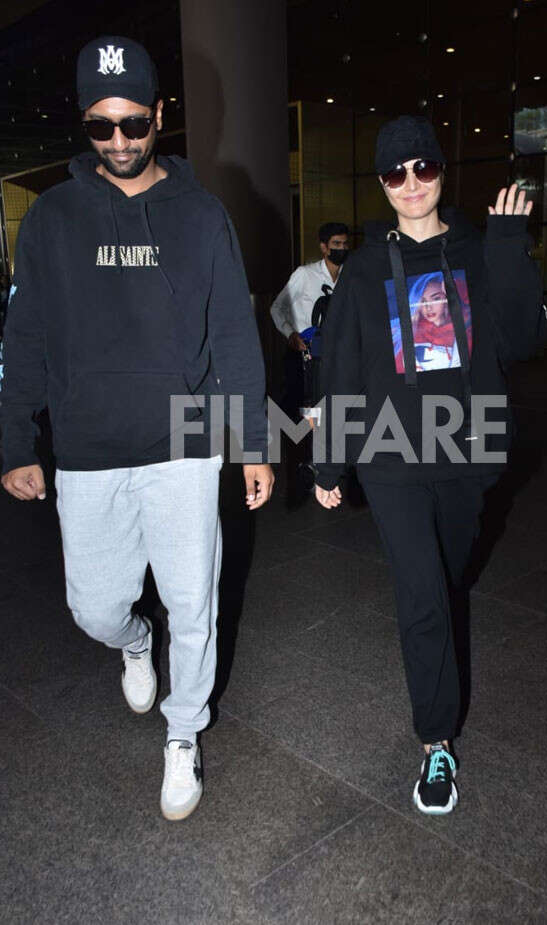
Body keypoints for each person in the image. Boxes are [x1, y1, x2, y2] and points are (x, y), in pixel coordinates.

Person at [0, 35, 274, 821]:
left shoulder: (201, 216)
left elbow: (232, 338)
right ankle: (131, 640)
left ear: (161, 114)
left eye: (133, 123)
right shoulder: (51, 219)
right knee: (95, 605)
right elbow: (25, 337)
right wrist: (16, 439)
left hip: (185, 441)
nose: (119, 142)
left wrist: (251, 442)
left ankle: (183, 732)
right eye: (100, 126)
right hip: (87, 447)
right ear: (84, 125)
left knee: (194, 601)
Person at [314, 114, 547, 815]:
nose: (411, 184)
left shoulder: (479, 249)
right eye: (394, 173)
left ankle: (438, 678)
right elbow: (342, 368)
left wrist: (509, 245)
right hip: (391, 455)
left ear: (441, 171)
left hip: (467, 450)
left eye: (423, 168)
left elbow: (524, 338)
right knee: (420, 595)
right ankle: (435, 741)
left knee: (448, 579)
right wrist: (330, 462)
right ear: (382, 185)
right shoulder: (360, 269)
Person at [270, 222, 349, 419]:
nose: (342, 249)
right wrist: (290, 335)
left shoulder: (348, 276)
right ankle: (290, 444)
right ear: (324, 247)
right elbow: (277, 307)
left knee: (327, 407)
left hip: (333, 353)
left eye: (345, 244)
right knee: (298, 405)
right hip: (303, 351)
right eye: (336, 244)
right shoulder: (305, 274)